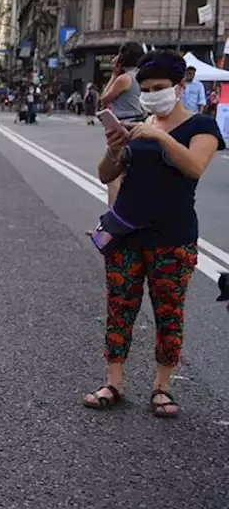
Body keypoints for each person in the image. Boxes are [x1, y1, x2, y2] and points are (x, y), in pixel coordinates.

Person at [84, 49, 225, 418]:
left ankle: (162, 388)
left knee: (168, 313)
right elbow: (105, 174)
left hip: (172, 237)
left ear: (180, 86)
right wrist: (115, 150)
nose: (150, 95)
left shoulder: (202, 127)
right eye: (145, 89)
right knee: (120, 309)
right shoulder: (139, 125)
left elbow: (194, 167)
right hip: (126, 234)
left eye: (159, 87)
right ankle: (113, 382)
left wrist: (160, 137)